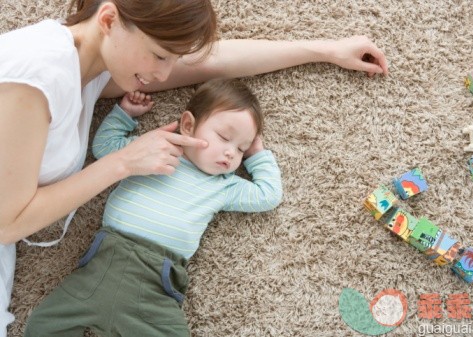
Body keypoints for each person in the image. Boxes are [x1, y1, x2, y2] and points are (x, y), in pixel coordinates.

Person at [0, 0, 388, 334]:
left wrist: (326, 50)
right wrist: (122, 163)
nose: (165, 76)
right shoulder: (37, 75)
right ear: (108, 20)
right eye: (160, 56)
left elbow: (212, 63)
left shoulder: (93, 64)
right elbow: (7, 224)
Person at [24, 78, 283, 337]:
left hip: (157, 280)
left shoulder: (225, 185)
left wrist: (257, 154)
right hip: (105, 263)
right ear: (189, 125)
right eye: (224, 138)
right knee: (41, 326)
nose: (230, 153)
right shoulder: (154, 149)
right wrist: (125, 114)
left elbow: (268, 195)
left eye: (240, 148)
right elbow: (105, 147)